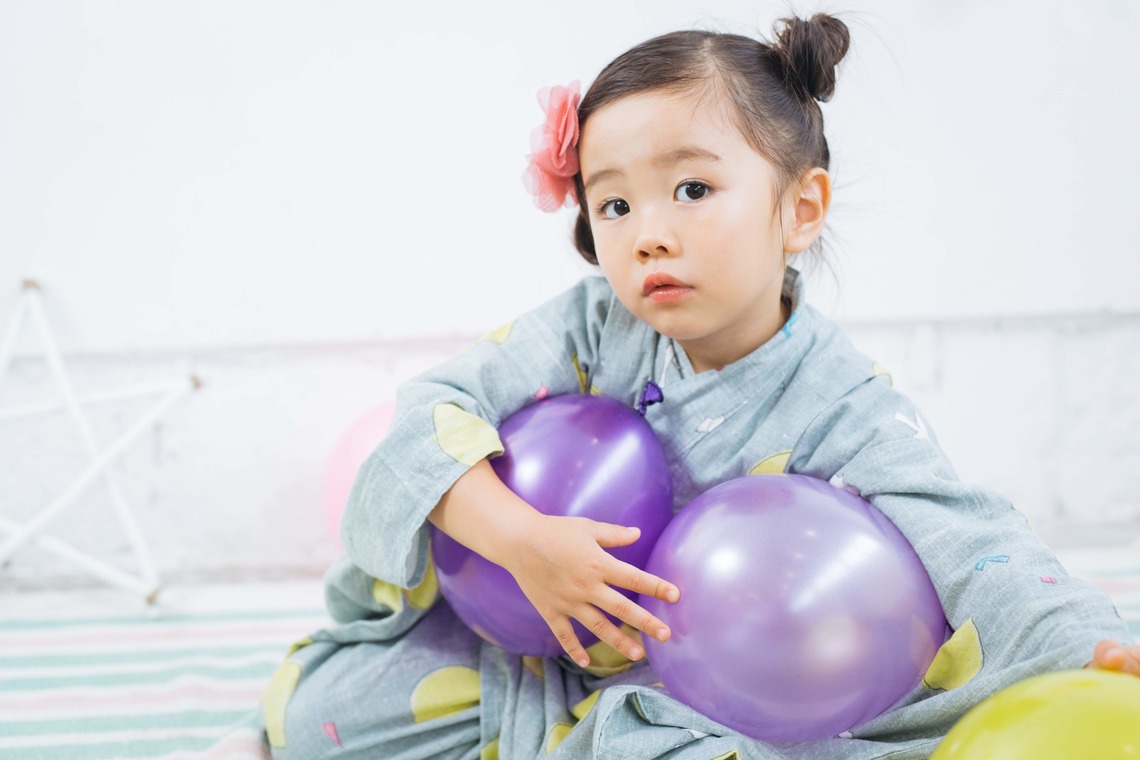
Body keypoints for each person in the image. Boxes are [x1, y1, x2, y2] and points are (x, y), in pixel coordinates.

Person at [260, 12, 1139, 759]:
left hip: (708, 685)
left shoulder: (845, 404)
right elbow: (425, 423)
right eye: (614, 204)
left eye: (691, 188)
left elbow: (976, 544)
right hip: (531, 638)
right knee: (312, 713)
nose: (649, 234)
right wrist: (525, 542)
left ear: (799, 209)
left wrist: (1084, 647)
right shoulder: (586, 325)